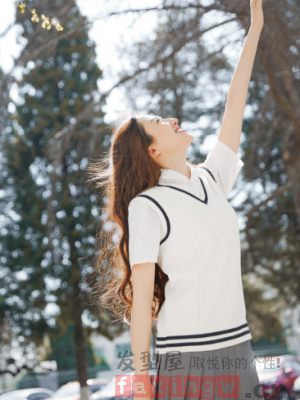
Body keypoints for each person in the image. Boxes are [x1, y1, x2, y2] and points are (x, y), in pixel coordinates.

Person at [90, 0, 264, 399]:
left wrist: (254, 29)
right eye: (158, 123)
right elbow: (141, 305)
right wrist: (140, 381)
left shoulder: (211, 178)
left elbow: (234, 105)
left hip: (238, 350)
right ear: (152, 150)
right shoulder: (147, 206)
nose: (170, 120)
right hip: (188, 362)